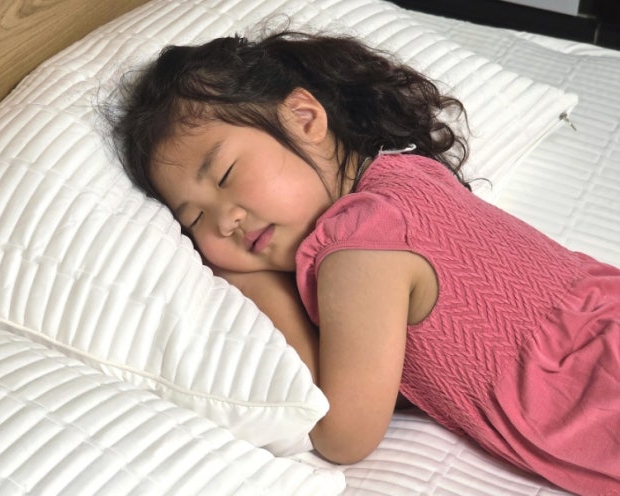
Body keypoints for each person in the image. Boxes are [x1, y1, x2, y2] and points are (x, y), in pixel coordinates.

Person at [108, 30, 620, 495]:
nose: (226, 221)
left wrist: (261, 287)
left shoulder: (356, 252)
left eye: (225, 176)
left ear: (304, 118)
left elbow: (344, 436)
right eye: (195, 219)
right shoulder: (408, 169)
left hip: (592, 389)